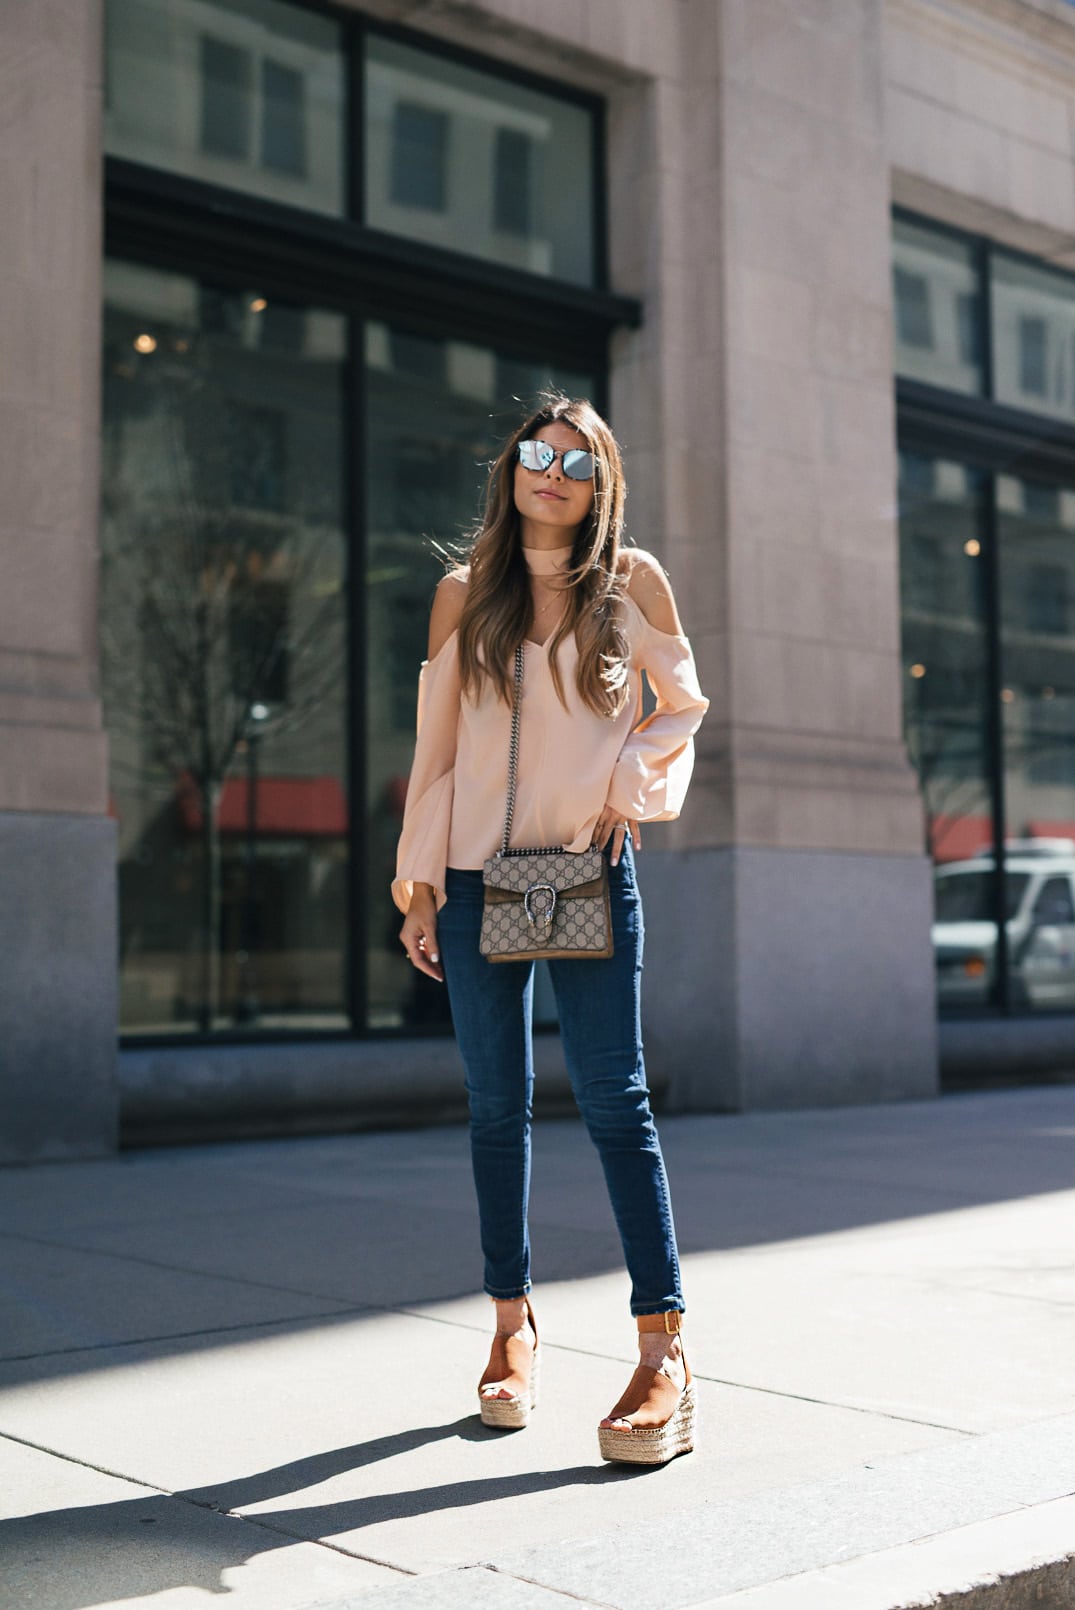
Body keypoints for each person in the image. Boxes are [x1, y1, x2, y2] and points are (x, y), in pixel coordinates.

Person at [392, 395, 709, 1466]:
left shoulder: (631, 584)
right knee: (496, 1108)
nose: (552, 471)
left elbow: (682, 705)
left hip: (586, 866)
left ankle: (663, 1352)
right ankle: (510, 1326)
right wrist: (420, 880)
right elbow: (435, 752)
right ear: (511, 468)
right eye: (537, 452)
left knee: (615, 1101)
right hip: (482, 878)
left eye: (577, 460)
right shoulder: (460, 594)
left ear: (600, 482)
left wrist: (629, 783)